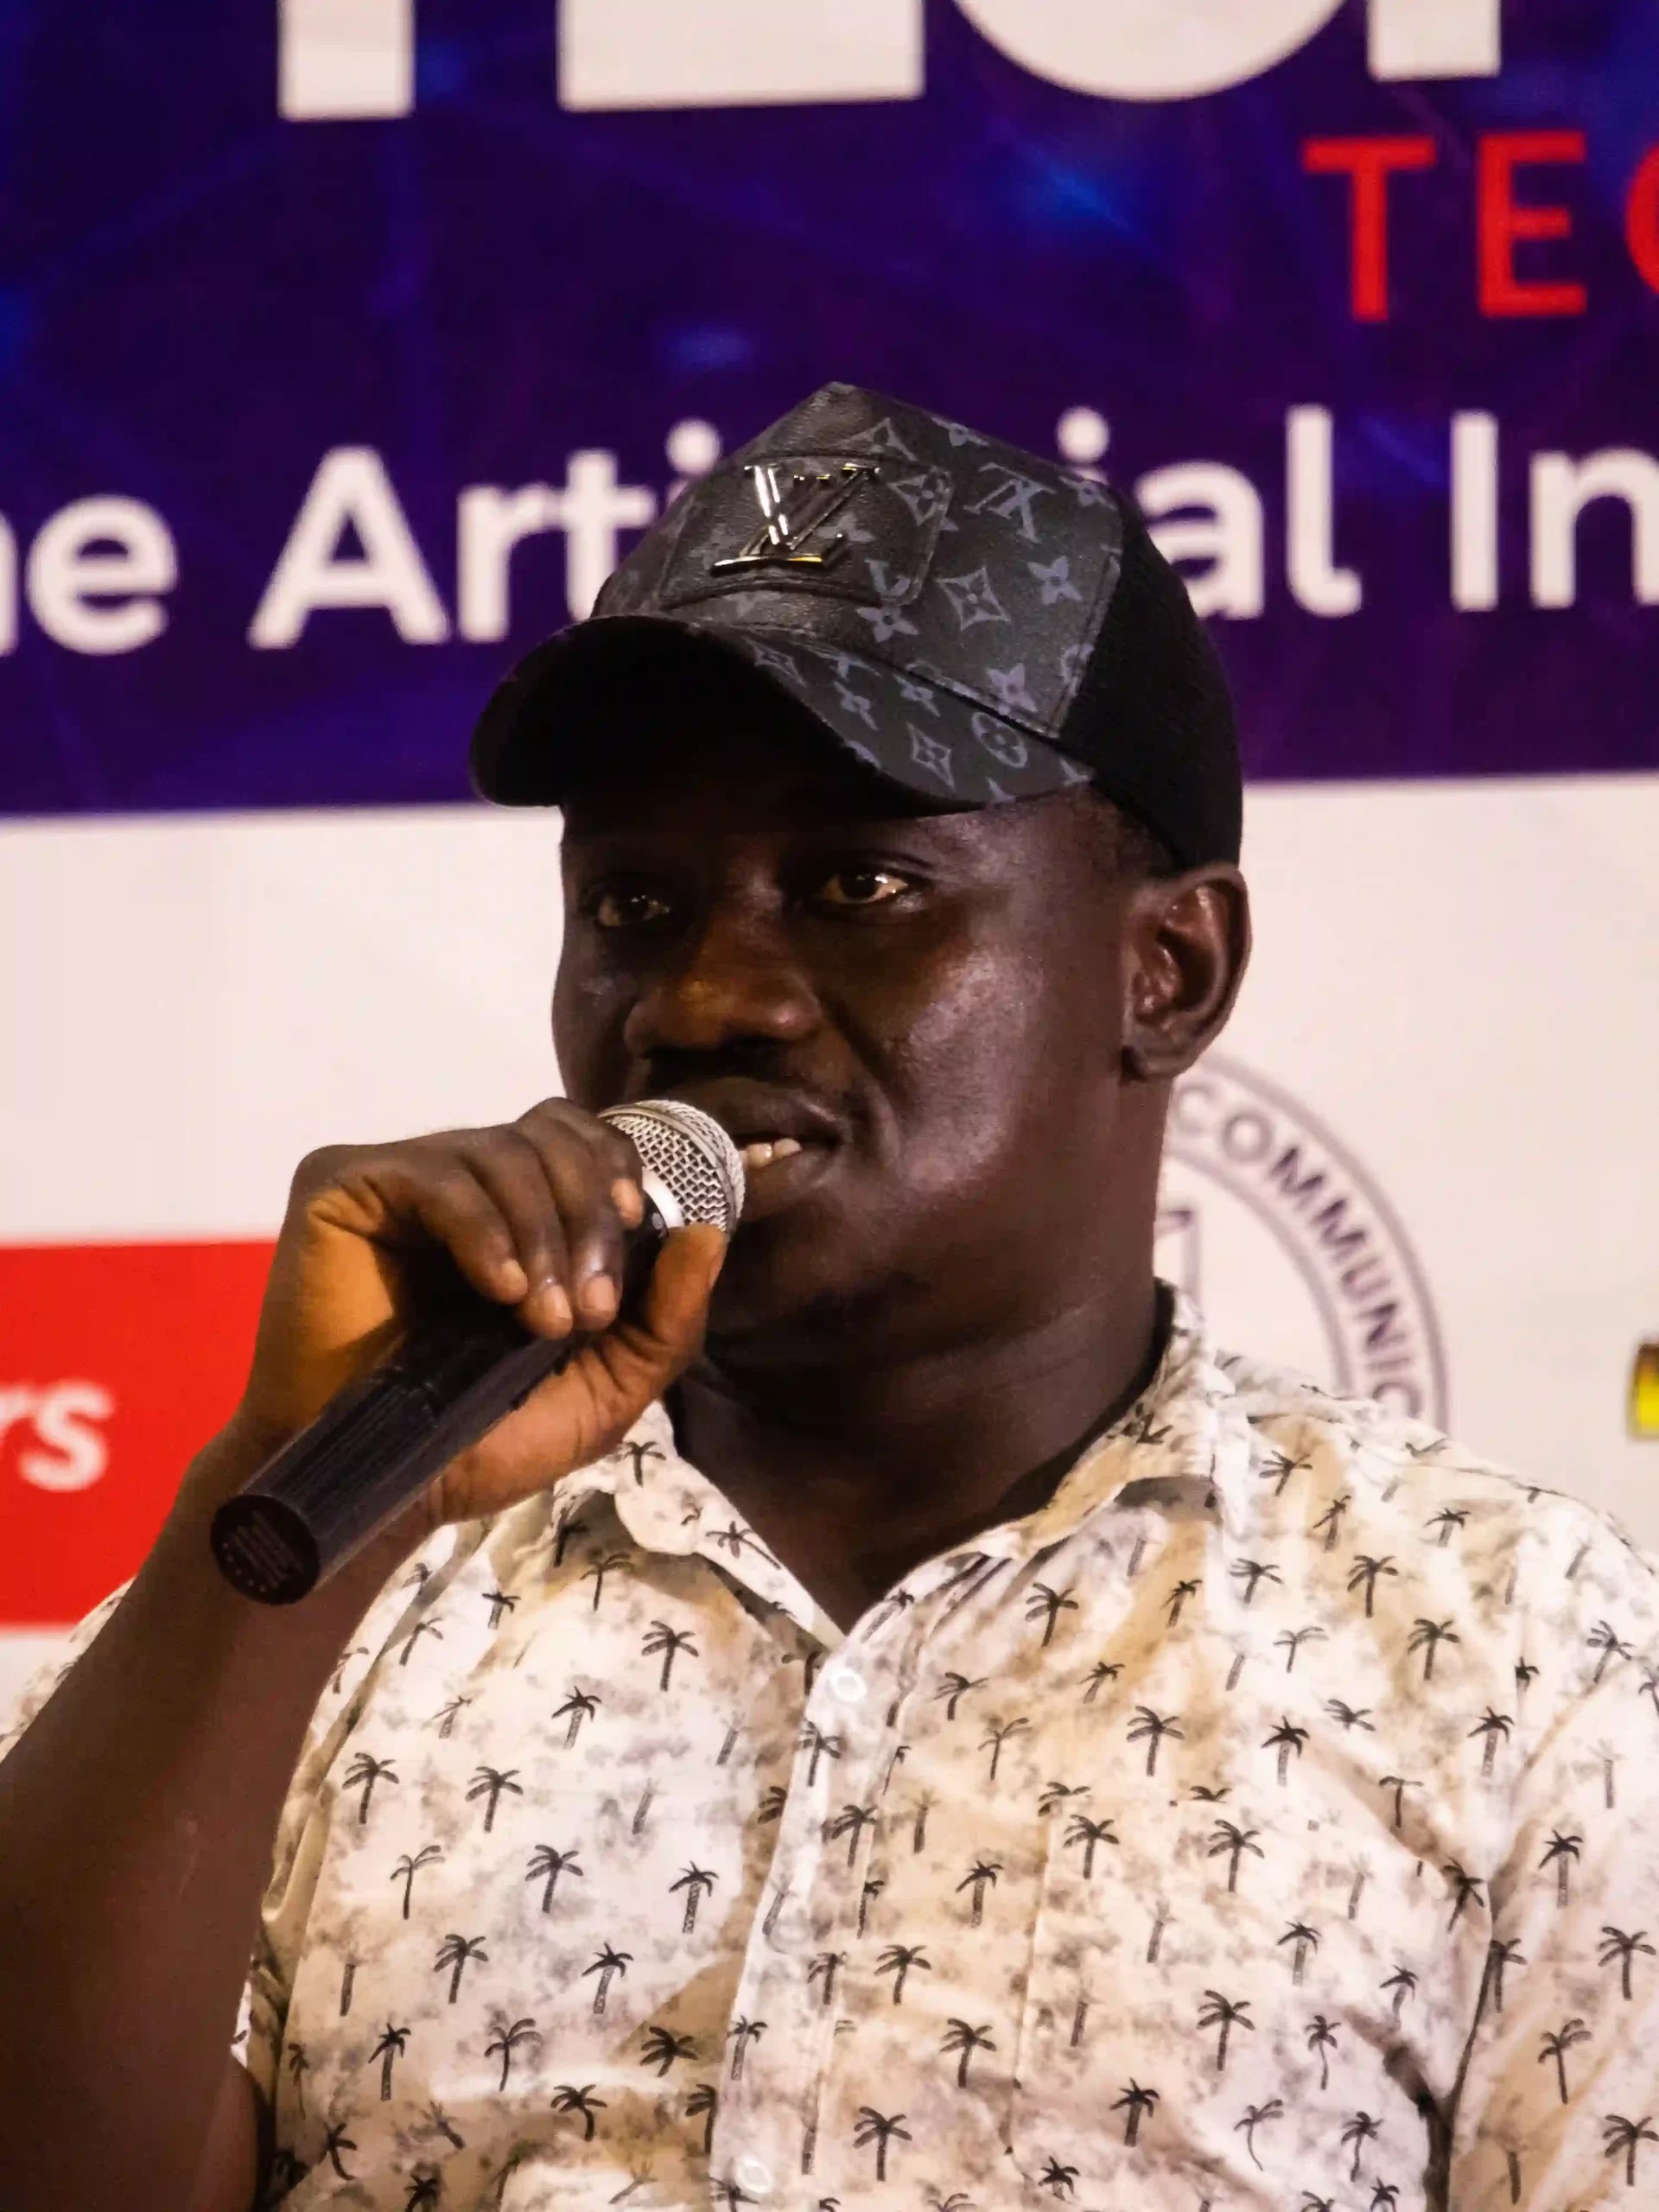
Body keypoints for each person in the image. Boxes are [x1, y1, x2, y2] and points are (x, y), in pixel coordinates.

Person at [2, 383, 1656, 2212]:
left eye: (860, 882)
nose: (707, 998)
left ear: (1170, 972)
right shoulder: (334, 1582)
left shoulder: (1513, 1647)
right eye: (634, 906)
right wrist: (281, 1513)